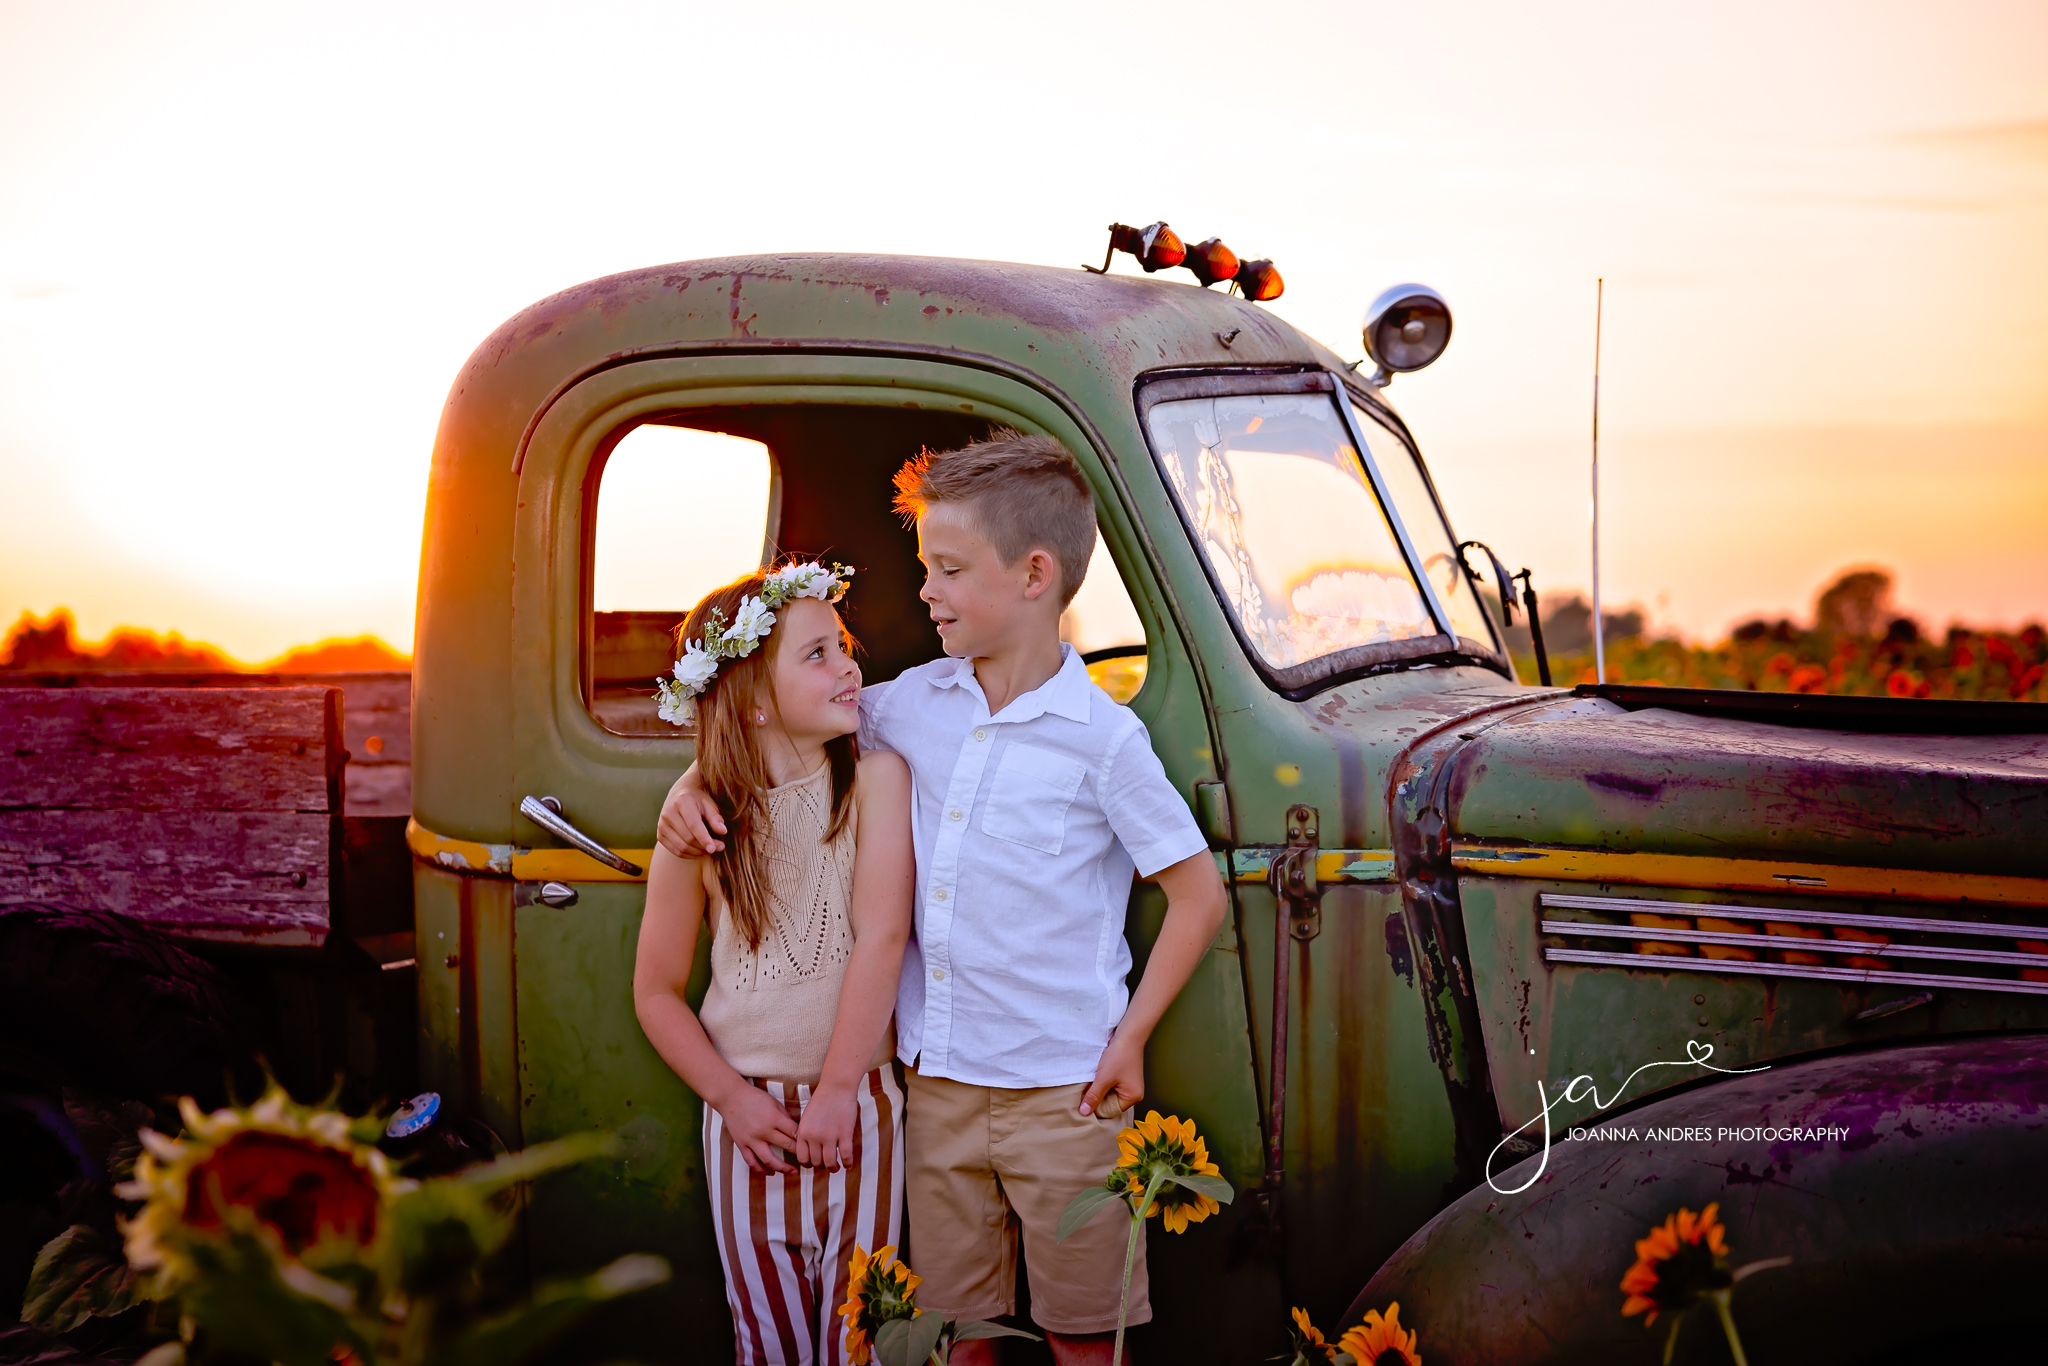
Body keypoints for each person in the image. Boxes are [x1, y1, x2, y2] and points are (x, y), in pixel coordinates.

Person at [658, 433, 1229, 1366]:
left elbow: (1195, 895)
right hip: (940, 1085)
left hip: (1065, 1091)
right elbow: (773, 721)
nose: (925, 590)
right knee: (959, 1337)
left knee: (1084, 1334)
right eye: (928, 568)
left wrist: (1130, 1040)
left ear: (1035, 574)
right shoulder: (908, 704)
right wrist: (691, 788)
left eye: (950, 570)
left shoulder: (1103, 739)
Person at [633, 561, 915, 1366]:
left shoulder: (876, 782)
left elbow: (881, 937)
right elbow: (655, 992)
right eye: (818, 654)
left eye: (844, 645)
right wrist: (732, 1102)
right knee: (767, 1342)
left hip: (858, 1106)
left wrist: (834, 1093)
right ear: (755, 699)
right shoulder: (696, 827)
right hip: (746, 1121)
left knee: (862, 1341)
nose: (849, 665)